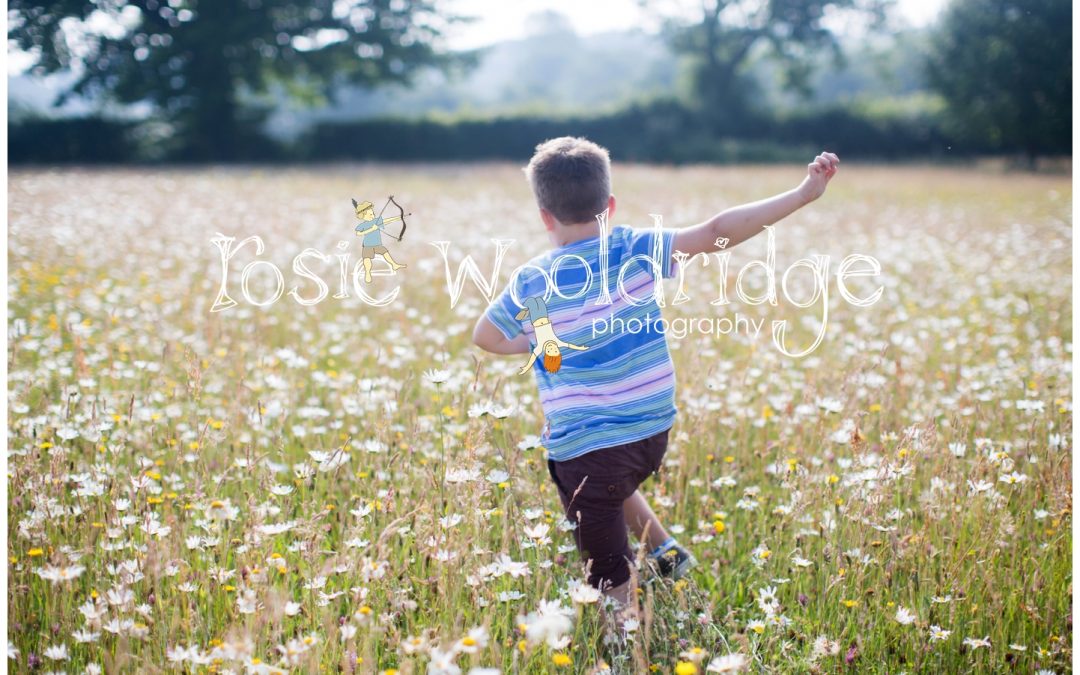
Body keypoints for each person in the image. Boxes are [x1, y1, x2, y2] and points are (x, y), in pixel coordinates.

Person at [471, 136, 839, 625]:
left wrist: (541, 340)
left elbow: (487, 337)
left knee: (606, 562)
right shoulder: (636, 247)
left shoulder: (533, 281)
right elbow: (715, 231)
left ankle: (624, 639)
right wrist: (801, 194)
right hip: (651, 432)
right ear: (610, 206)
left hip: (587, 449)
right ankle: (667, 553)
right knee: (614, 474)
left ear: (544, 216)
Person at [514, 295, 590, 374]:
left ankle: (526, 309)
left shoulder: (540, 347)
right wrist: (580, 348)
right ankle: (527, 311)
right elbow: (569, 345)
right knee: (539, 300)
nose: (551, 347)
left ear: (546, 353)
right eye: (555, 350)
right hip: (544, 317)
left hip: (536, 320)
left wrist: (527, 367)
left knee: (531, 301)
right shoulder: (558, 342)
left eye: (549, 351)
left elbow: (533, 357)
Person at [353, 199, 407, 283]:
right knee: (367, 259)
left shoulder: (376, 221)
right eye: (370, 214)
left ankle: (394, 265)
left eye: (373, 213)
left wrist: (399, 218)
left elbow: (386, 221)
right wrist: (371, 229)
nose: (372, 215)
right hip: (367, 245)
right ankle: (367, 273)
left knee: (385, 253)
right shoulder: (363, 225)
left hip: (377, 244)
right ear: (364, 216)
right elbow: (358, 233)